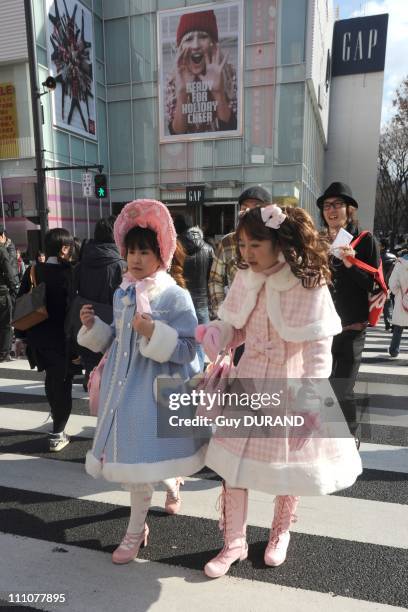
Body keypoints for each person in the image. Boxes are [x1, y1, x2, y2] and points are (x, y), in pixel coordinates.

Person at [195, 204, 362, 578]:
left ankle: (280, 532)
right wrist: (218, 334)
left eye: (255, 244)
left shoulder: (308, 282)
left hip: (291, 382)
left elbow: (320, 350)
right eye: (242, 244)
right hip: (249, 376)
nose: (246, 253)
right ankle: (233, 541)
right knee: (232, 466)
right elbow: (235, 328)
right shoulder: (245, 277)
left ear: (279, 242)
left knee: (290, 466)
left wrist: (311, 403)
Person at [77, 199, 206, 565]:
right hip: (124, 390)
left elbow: (189, 348)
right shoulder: (123, 291)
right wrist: (93, 328)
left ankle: (135, 531)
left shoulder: (174, 294)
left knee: (141, 463)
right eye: (131, 250)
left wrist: (155, 332)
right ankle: (166, 487)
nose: (134, 258)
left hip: (155, 392)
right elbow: (118, 342)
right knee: (137, 461)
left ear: (160, 253)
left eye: (143, 251)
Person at [317, 182, 380, 447]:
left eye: (337, 205)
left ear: (349, 208)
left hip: (353, 327)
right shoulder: (319, 241)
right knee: (323, 386)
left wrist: (351, 263)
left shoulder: (365, 240)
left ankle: (350, 435)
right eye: (327, 206)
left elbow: (375, 285)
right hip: (323, 327)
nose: (331, 210)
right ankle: (328, 438)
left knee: (342, 388)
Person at [17, 228, 75, 451]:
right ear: (64, 248)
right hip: (63, 339)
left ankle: (57, 424)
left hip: (38, 338)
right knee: (63, 384)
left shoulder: (33, 270)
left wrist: (21, 336)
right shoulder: (70, 272)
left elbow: (22, 302)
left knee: (52, 380)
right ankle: (57, 432)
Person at [165, 9, 237, 135]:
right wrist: (182, 94)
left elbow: (231, 131)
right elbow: (176, 136)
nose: (195, 45)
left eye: (203, 37)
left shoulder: (230, 75)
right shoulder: (173, 80)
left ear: (213, 44)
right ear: (181, 47)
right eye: (189, 39)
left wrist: (218, 92)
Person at [73, 216, 126, 381]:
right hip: (113, 330)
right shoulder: (121, 264)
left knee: (93, 377)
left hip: (87, 323)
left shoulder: (81, 263)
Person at [209, 186, 271, 318]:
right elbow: (215, 280)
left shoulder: (277, 241)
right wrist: (221, 312)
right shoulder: (228, 242)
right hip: (236, 317)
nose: (249, 212)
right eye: (244, 208)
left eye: (256, 207)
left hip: (269, 316)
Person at [174, 213, 214, 368]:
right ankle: (200, 376)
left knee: (183, 343)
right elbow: (214, 279)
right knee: (200, 343)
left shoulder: (175, 250)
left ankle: (190, 377)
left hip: (181, 303)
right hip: (203, 304)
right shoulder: (208, 249)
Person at [0, 225, 19, 362]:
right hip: (2, 291)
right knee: (6, 323)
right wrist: (15, 288)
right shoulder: (2, 251)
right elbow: (9, 271)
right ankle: (4, 352)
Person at [388, 249, 408, 357]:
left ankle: (394, 349)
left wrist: (397, 293)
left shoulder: (400, 264)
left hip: (402, 298)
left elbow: (392, 283)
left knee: (399, 327)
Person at [380, 238, 397, 330]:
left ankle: (387, 322)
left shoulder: (378, 257)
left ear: (382, 246)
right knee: (394, 304)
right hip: (393, 283)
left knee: (385, 304)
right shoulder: (394, 257)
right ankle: (394, 323)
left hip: (382, 283)